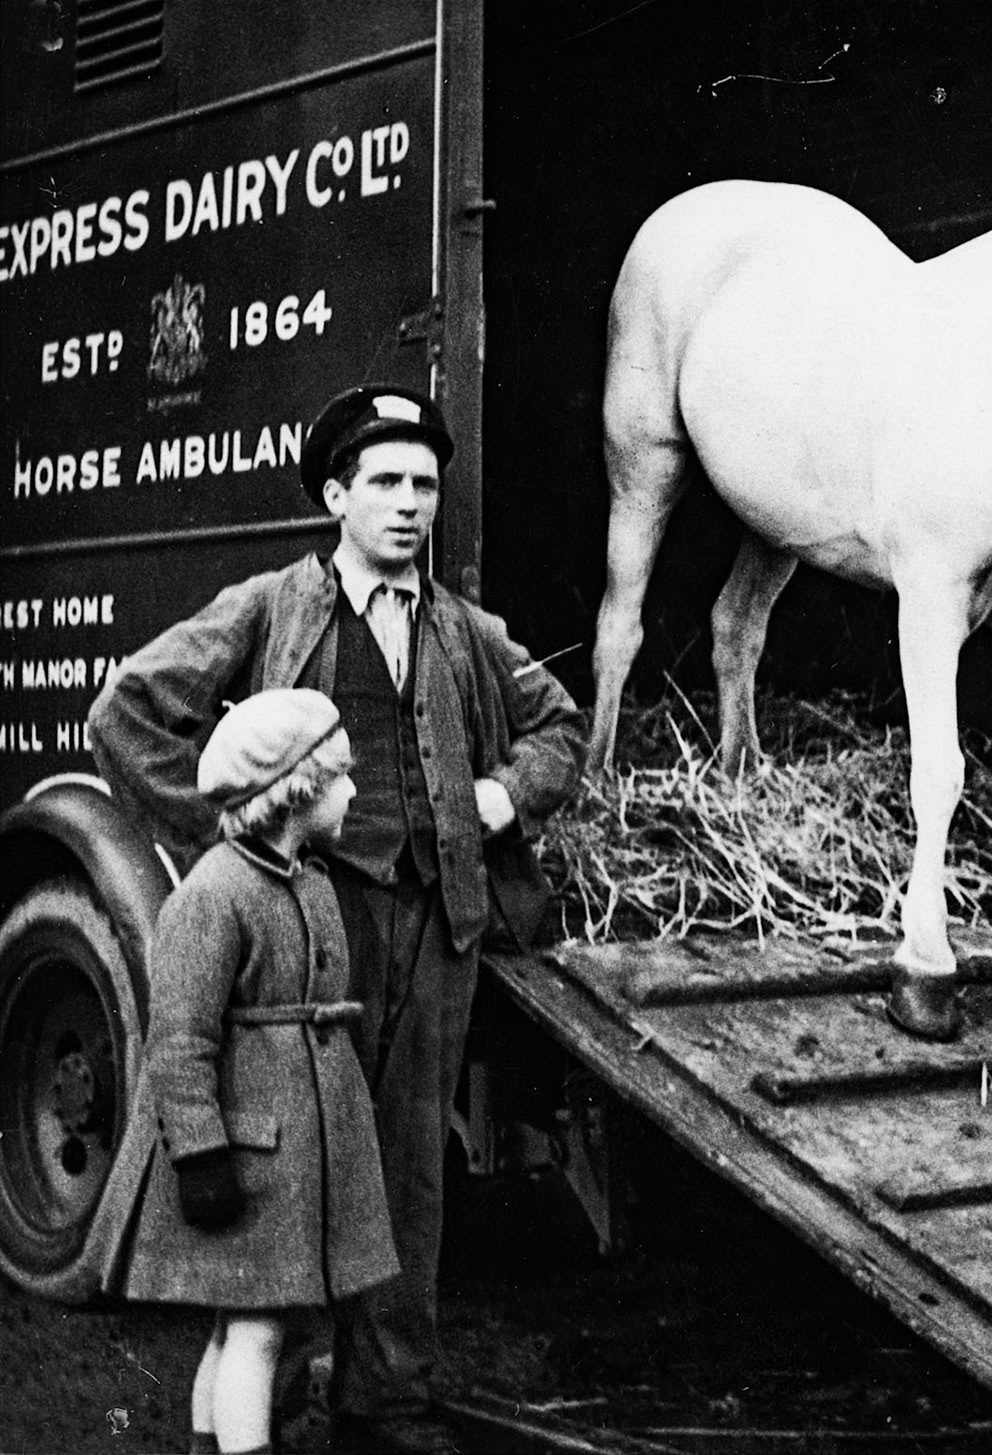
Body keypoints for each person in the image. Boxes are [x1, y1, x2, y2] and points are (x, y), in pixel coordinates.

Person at [90, 386, 589, 1454]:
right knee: (297, 1165)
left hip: (439, 921)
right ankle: (262, 1408)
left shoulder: (467, 630)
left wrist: (501, 797)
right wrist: (232, 833)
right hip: (311, 927)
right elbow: (128, 709)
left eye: (425, 485)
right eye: (386, 483)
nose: (410, 504)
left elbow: (560, 725)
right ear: (335, 497)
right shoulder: (273, 604)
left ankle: (384, 1402)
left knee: (408, 1165)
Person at [90, 689, 398, 1455]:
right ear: (296, 791)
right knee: (256, 1333)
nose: (351, 792)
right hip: (244, 1156)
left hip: (283, 1161)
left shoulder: (307, 880)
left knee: (239, 1328)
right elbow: (178, 1041)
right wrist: (200, 1153)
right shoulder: (214, 894)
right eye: (339, 777)